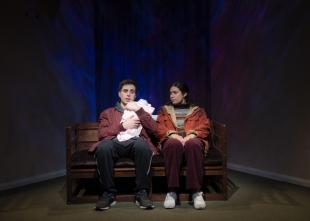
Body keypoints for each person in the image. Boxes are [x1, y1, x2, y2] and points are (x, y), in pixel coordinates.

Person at [88, 79, 158, 210]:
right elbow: (102, 133)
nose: (128, 94)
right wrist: (122, 126)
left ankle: (141, 193)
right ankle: (108, 193)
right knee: (103, 147)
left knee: (143, 146)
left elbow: (155, 130)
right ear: (119, 94)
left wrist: (140, 111)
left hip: (135, 143)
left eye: (132, 92)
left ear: (135, 95)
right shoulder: (108, 113)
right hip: (114, 142)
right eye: (125, 91)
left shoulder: (142, 109)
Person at [156, 82, 210, 209]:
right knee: (173, 144)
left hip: (192, 140)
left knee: (193, 144)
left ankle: (196, 192)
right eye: (170, 93)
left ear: (184, 94)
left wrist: (191, 135)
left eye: (175, 93)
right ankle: (172, 191)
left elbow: (205, 127)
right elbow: (159, 128)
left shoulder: (198, 111)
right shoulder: (164, 110)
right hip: (173, 141)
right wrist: (173, 134)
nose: (171, 96)